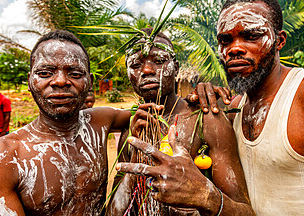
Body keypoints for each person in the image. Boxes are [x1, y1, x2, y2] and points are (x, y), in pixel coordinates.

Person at [189, 0, 304, 215]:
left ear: (279, 40)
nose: (234, 48)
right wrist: (198, 105)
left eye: (251, 36)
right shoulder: (235, 108)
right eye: (225, 40)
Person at [0, 30, 133, 215]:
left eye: (75, 74)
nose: (60, 81)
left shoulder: (101, 121)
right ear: (30, 80)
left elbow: (153, 113)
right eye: (45, 73)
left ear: (90, 82)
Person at [109, 28, 254, 215]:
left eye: (159, 61)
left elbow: (243, 210)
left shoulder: (206, 119)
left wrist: (201, 194)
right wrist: (135, 163)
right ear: (128, 73)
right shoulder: (132, 128)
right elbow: (115, 211)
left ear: (176, 67)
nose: (146, 70)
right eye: (136, 65)